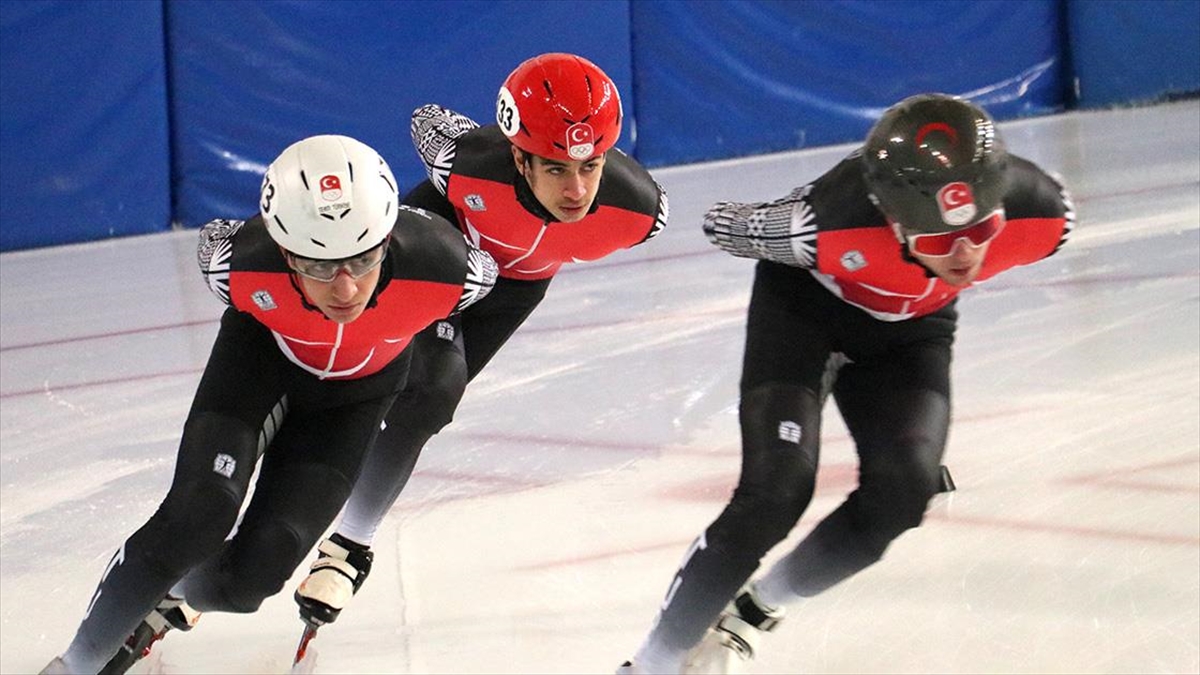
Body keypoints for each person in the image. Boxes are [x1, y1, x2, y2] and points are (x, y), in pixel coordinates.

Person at [620, 93, 1075, 674]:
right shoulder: (825, 223)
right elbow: (722, 224)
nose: (966, 254)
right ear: (893, 221)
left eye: (982, 229)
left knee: (905, 491)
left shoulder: (1044, 215)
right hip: (806, 314)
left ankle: (754, 611)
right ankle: (652, 665)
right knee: (775, 493)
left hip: (912, 332)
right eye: (938, 239)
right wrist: (788, 221)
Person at [40, 134, 498, 675]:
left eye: (363, 259)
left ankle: (170, 595)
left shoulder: (451, 267)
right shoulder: (236, 264)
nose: (346, 289)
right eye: (318, 266)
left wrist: (434, 371)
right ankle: (74, 666)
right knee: (198, 513)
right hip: (259, 368)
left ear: (387, 237)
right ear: (283, 252)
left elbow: (467, 313)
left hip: (352, 401)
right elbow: (214, 240)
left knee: (245, 583)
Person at [291, 52, 668, 629]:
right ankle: (276, 526)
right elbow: (426, 118)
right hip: (438, 251)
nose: (576, 190)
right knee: (382, 387)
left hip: (513, 289)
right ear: (518, 156)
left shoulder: (639, 211)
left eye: (590, 166)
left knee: (428, 401)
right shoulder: (467, 164)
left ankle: (347, 546)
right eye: (555, 168)